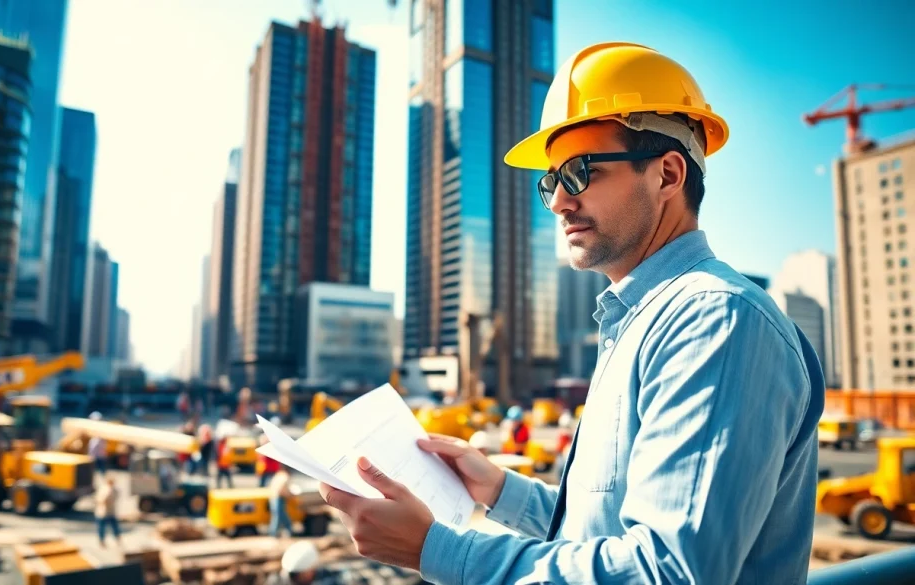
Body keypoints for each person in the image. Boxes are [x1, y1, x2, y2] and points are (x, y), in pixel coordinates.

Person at [316, 42, 824, 584]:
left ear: (668, 175)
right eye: (551, 181)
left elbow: (668, 571)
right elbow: (606, 533)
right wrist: (499, 489)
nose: (558, 200)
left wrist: (437, 551)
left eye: (580, 172)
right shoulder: (640, 320)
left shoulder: (715, 322)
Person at [94, 475, 122, 548]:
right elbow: (100, 500)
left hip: (110, 511)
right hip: (103, 512)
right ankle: (102, 541)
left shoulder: (114, 490)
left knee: (114, 527)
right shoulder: (104, 489)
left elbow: (114, 498)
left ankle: (117, 539)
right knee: (102, 528)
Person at [267, 468, 294, 538]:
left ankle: (273, 533)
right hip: (278, 498)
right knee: (279, 515)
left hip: (272, 496)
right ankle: (287, 529)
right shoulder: (285, 477)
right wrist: (289, 495)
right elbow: (281, 490)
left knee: (275, 516)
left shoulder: (278, 475)